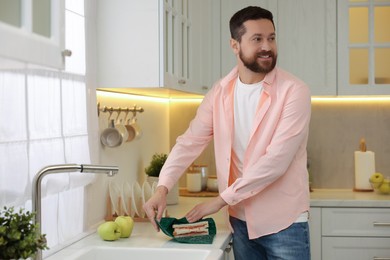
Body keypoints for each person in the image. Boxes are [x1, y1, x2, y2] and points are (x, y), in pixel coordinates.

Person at [143, 6, 311, 260]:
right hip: (240, 221)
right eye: (257, 39)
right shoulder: (220, 92)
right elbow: (190, 142)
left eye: (271, 38)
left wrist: (221, 200)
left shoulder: (294, 91)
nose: (267, 46)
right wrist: (162, 187)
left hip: (284, 222)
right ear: (235, 45)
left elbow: (275, 162)